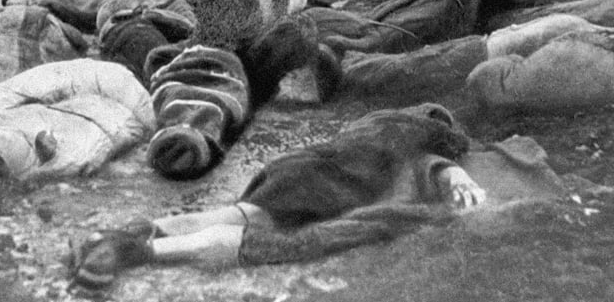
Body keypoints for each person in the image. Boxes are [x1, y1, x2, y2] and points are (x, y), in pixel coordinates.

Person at [67, 103, 562, 290]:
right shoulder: (419, 135)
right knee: (259, 236)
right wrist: (456, 174)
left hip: (295, 171)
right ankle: (141, 249)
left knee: (243, 212)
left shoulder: (367, 125)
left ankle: (122, 236)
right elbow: (436, 163)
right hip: (326, 186)